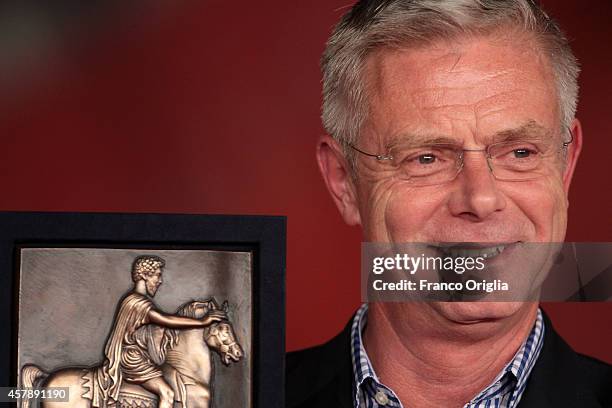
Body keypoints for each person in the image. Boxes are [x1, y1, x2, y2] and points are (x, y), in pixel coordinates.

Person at [287, 1, 611, 407]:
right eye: (426, 158)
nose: (481, 198)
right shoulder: (230, 394)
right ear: (344, 182)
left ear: (565, 168)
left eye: (521, 153)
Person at [90, 255, 227, 408]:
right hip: (132, 359)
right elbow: (165, 319)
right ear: (144, 276)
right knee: (167, 393)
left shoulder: (133, 300)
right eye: (157, 275)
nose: (160, 281)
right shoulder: (137, 303)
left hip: (138, 356)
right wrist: (202, 322)